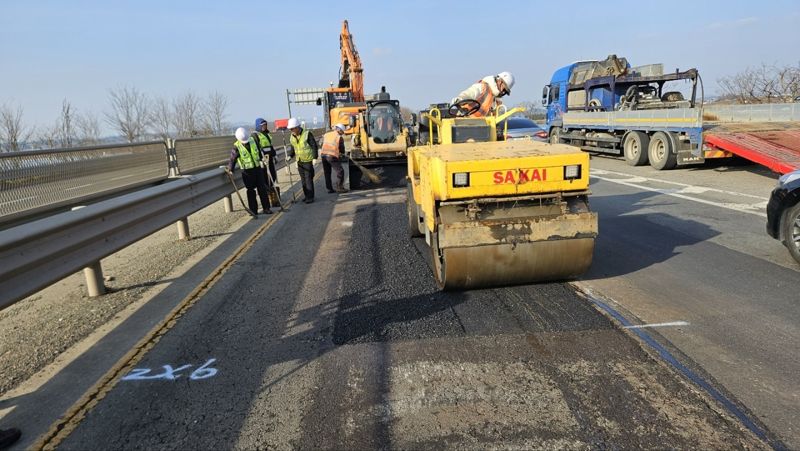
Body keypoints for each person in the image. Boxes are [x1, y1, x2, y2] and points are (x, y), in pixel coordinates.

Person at [226, 127, 272, 216]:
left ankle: (266, 208)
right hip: (247, 172)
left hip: (257, 169)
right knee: (250, 191)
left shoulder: (253, 141)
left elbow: (259, 151)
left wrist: (263, 159)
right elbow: (232, 159)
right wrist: (230, 170)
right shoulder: (236, 147)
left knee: (262, 188)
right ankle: (253, 211)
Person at [451, 71, 515, 117]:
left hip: (482, 130)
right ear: (500, 82)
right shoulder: (482, 87)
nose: (503, 92)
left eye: (505, 92)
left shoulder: (497, 101)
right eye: (504, 89)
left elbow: (496, 119)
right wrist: (460, 99)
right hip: (464, 123)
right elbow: (469, 94)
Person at [287, 117, 319, 203]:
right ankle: (306, 195)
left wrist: (315, 158)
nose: (291, 131)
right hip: (299, 161)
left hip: (308, 160)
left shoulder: (307, 134)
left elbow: (314, 146)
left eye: (292, 129)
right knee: (303, 180)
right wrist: (290, 156)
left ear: (297, 127)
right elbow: (293, 148)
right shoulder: (292, 136)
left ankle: (310, 197)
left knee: (308, 179)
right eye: (290, 129)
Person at [320, 124, 347, 193]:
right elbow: (342, 149)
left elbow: (321, 143)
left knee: (327, 173)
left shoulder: (327, 134)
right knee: (340, 171)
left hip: (323, 155)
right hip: (331, 156)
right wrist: (342, 153)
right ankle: (339, 187)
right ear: (339, 130)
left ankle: (329, 189)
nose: (342, 133)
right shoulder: (339, 137)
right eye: (342, 132)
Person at [251, 118, 278, 187]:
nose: (264, 126)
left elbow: (270, 146)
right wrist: (260, 159)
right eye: (262, 125)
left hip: (269, 158)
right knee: (264, 177)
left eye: (265, 125)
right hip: (263, 160)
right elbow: (255, 149)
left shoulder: (267, 134)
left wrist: (274, 155)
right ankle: (267, 191)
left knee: (272, 175)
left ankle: (271, 188)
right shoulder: (255, 135)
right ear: (258, 126)